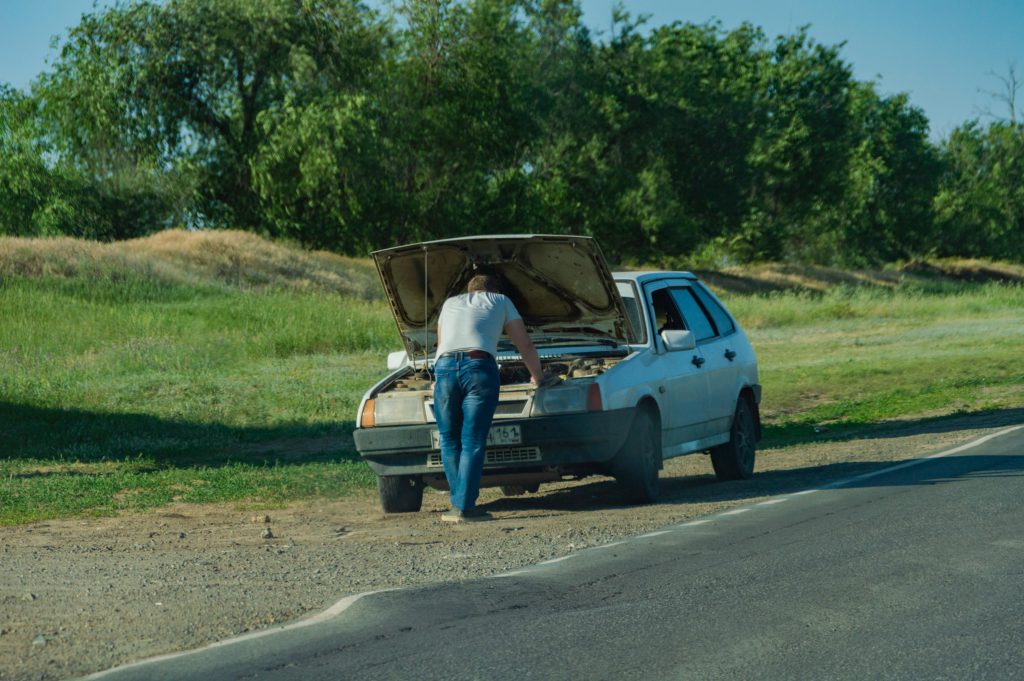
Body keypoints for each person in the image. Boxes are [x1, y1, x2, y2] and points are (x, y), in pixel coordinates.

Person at [432, 273, 546, 523]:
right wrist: (538, 376)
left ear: (468, 290)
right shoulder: (501, 300)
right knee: (472, 440)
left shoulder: (450, 303)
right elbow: (524, 344)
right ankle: (465, 507)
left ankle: (457, 504)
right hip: (478, 367)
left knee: (449, 438)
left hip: (444, 368)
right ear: (494, 288)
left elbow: (442, 345)